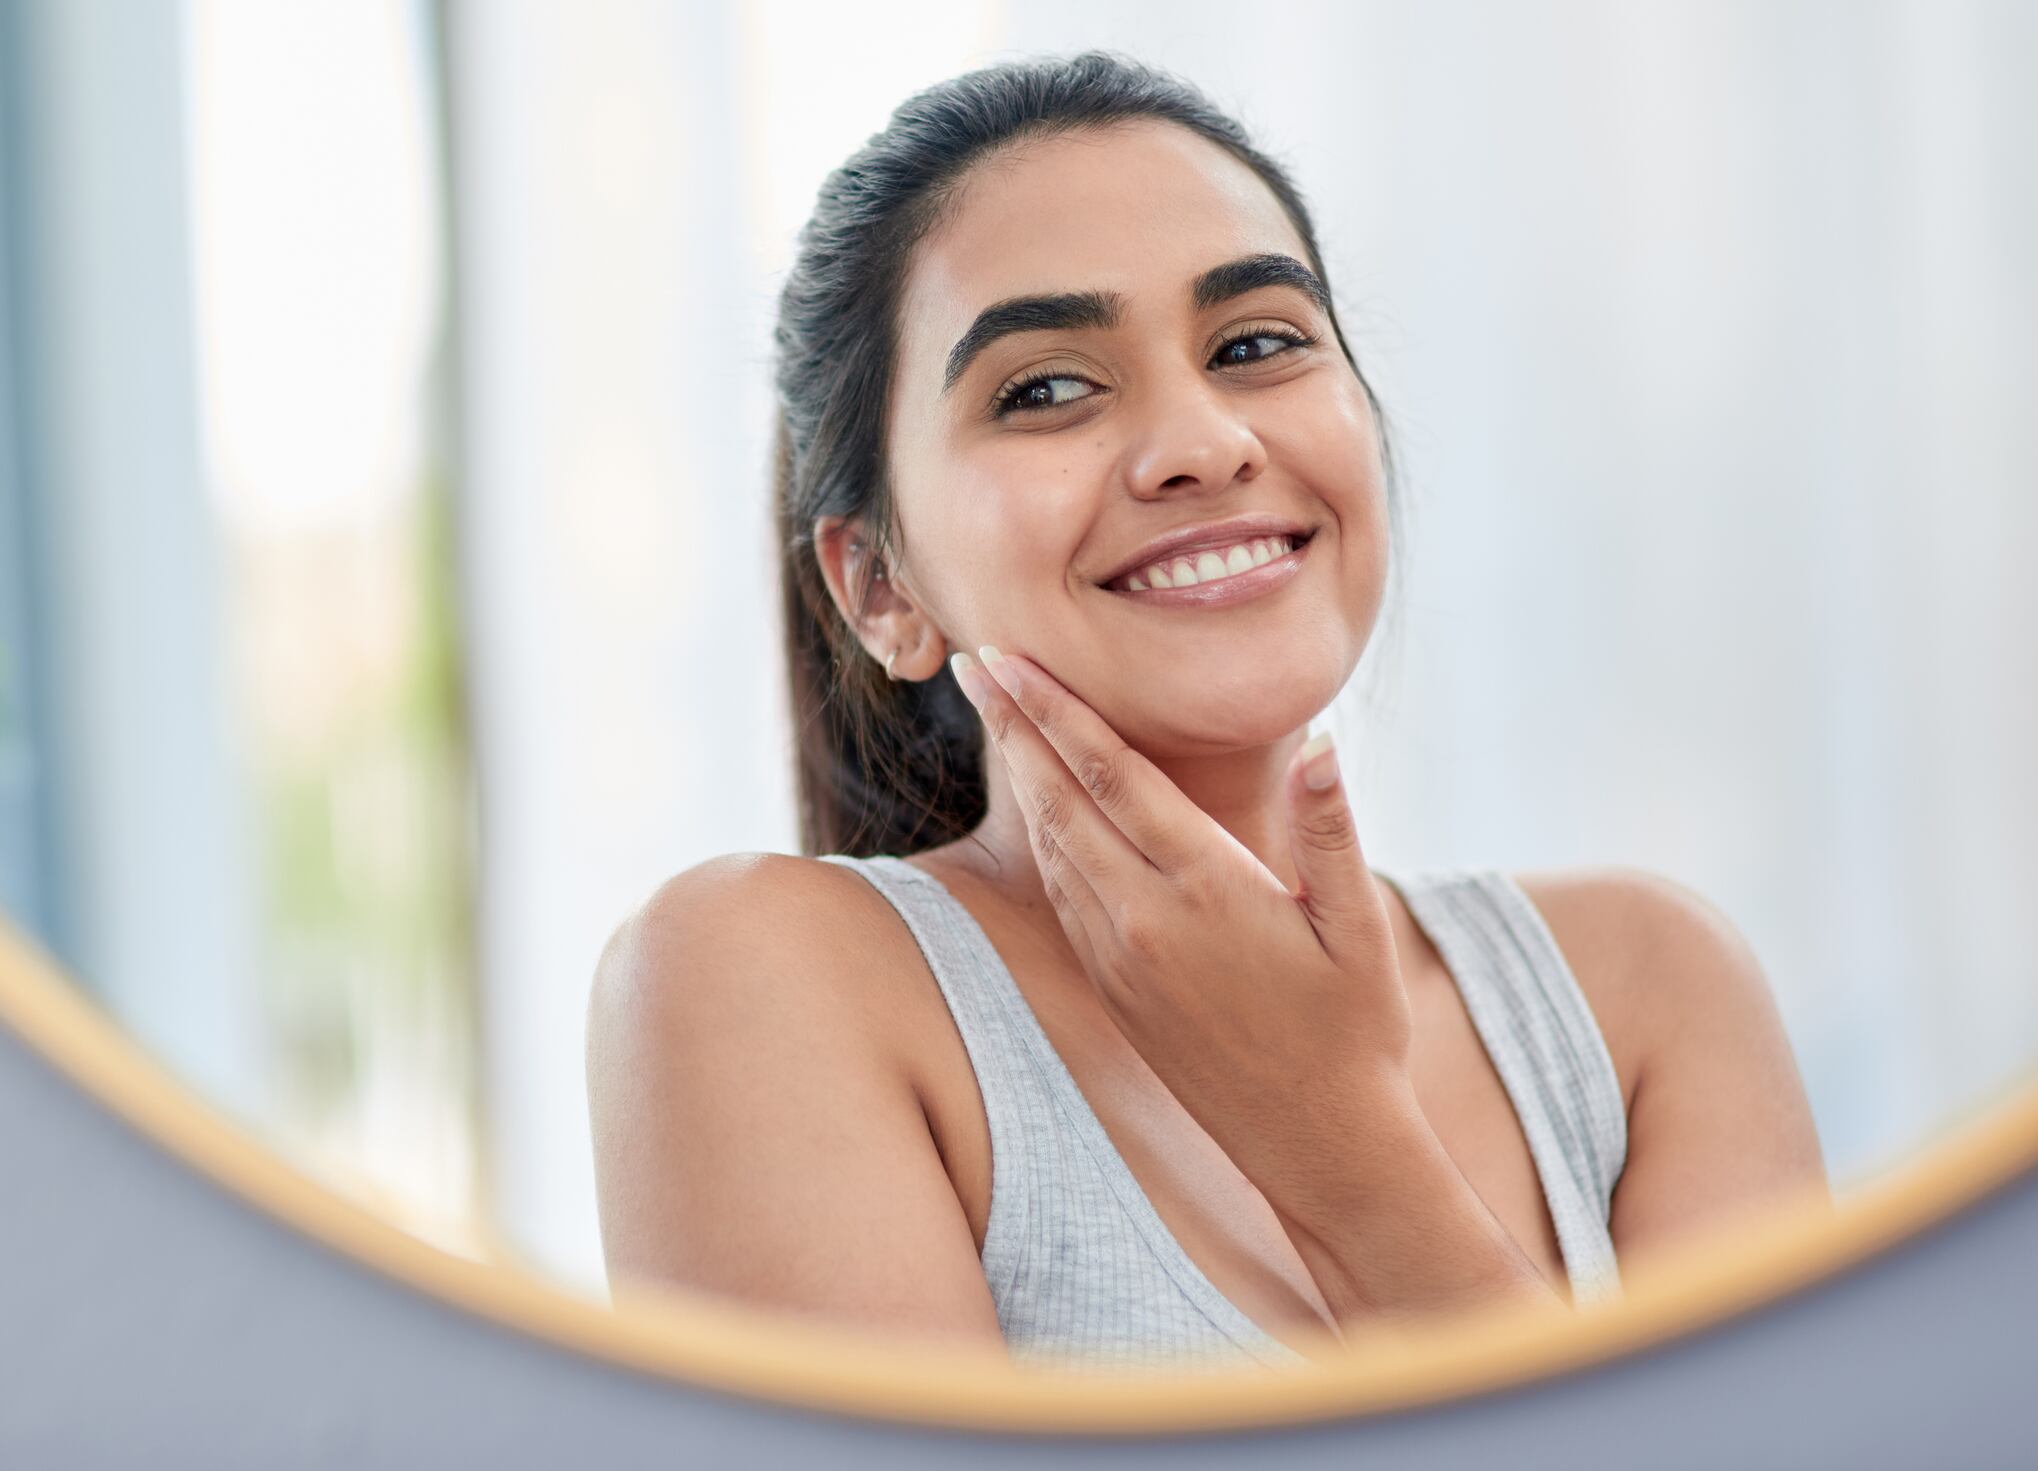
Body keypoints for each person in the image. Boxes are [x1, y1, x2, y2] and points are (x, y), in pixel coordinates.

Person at [585, 50, 1828, 1374]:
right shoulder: (759, 979)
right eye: (1044, 388)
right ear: (880, 588)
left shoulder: (1645, 992)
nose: (1203, 443)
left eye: (1255, 345)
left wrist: (1336, 1137)